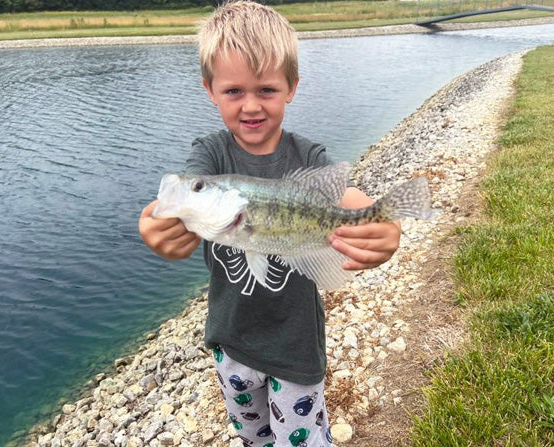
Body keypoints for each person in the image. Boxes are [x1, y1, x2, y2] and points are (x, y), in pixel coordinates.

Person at [138, 1, 400, 445]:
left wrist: (382, 222)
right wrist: (153, 226)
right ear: (210, 90)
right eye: (234, 91)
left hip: (295, 346)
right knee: (253, 437)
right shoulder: (211, 154)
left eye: (267, 90)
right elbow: (179, 195)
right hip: (230, 342)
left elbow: (346, 196)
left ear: (292, 87)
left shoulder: (306, 154)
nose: (251, 106)